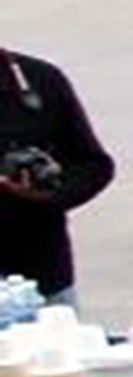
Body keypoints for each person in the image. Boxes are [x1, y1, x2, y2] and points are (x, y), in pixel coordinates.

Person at [0, 43, 112, 327]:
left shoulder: (38, 80)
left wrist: (48, 192)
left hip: (40, 278)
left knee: (57, 366)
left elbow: (94, 165)